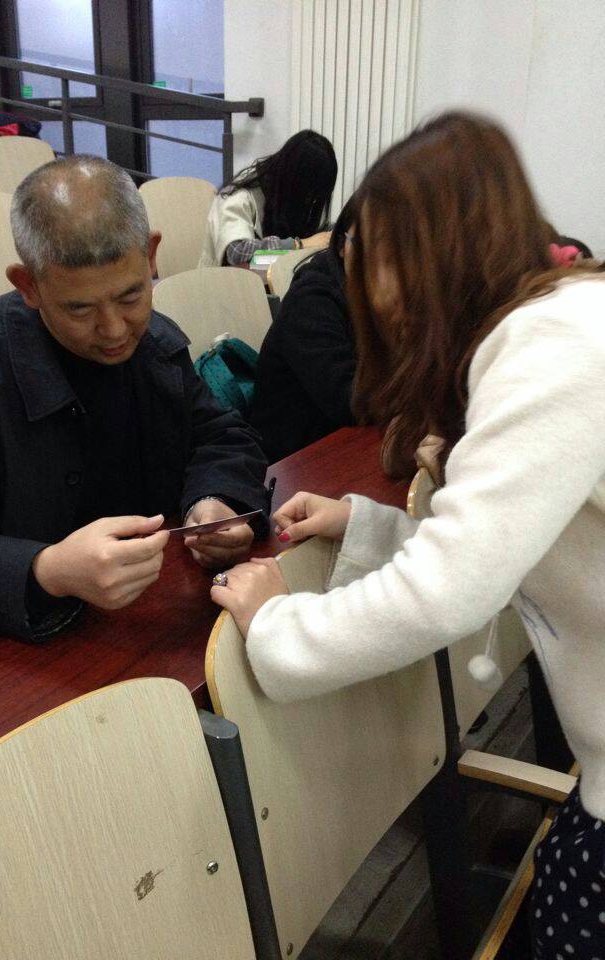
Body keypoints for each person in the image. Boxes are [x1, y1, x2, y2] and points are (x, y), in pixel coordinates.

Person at [211, 112, 605, 959]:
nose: (369, 293)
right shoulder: (563, 320)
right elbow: (512, 550)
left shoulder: (551, 347)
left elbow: (453, 589)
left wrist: (278, 626)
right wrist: (368, 525)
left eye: (373, 257)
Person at [0, 155, 270, 656]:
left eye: (131, 296)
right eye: (79, 308)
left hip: (146, 626)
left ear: (151, 256)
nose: (114, 330)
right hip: (12, 655)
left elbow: (222, 436)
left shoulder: (155, 344)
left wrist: (214, 500)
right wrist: (46, 570)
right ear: (28, 285)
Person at [250, 196, 358, 462]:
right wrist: (298, 243)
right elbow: (351, 401)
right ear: (342, 244)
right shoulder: (312, 300)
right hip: (294, 461)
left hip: (342, 445)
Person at [199, 129, 337, 267]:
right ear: (296, 181)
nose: (310, 201)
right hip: (226, 279)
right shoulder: (240, 197)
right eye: (309, 194)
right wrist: (299, 244)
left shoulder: (287, 197)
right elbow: (237, 253)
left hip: (268, 277)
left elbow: (316, 233)